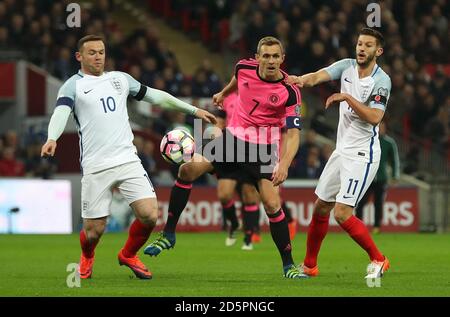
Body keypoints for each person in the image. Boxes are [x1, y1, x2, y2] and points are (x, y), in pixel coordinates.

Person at [40, 35, 216, 280]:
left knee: (149, 215)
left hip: (128, 160)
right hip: (96, 165)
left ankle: (128, 254)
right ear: (79, 56)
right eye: (91, 52)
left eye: (101, 51)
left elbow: (156, 96)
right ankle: (88, 255)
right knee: (93, 232)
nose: (98, 56)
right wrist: (52, 138)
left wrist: (193, 109)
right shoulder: (73, 85)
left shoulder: (120, 79)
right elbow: (61, 112)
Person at [145, 36, 307, 279]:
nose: (271, 61)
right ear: (257, 57)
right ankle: (168, 234)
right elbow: (237, 81)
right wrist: (223, 92)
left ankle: (289, 266)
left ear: (282, 59)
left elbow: (293, 134)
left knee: (273, 205)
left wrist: (283, 163)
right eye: (266, 56)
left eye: (276, 56)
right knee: (187, 170)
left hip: (263, 149)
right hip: (232, 139)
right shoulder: (244, 67)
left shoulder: (290, 91)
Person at [289, 28, 391, 279]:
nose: (361, 48)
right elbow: (317, 76)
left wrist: (347, 97)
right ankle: (310, 266)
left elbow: (375, 118)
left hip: (362, 154)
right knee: (321, 207)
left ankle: (379, 259)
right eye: (359, 43)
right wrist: (299, 80)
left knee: (342, 213)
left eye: (368, 45)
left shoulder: (381, 81)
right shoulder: (346, 66)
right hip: (341, 151)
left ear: (378, 51)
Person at [355, 121, 400, 233]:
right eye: (379, 127)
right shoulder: (368, 140)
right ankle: (358, 225)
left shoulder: (389, 143)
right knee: (361, 202)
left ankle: (376, 227)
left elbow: (394, 160)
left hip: (381, 178)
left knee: (378, 203)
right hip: (367, 176)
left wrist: (395, 175)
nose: (381, 129)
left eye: (382, 127)